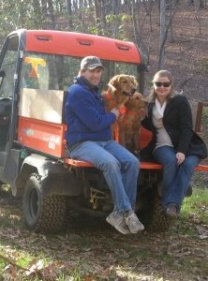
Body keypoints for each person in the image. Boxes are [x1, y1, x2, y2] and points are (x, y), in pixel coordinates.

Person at [64, 56, 144, 235]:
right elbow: (94, 122)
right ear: (82, 71)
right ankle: (126, 212)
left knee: (132, 162)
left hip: (105, 141)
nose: (96, 75)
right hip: (81, 143)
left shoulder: (94, 92)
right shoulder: (77, 92)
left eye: (98, 71)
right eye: (91, 71)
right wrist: (113, 115)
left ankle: (119, 213)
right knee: (110, 163)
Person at [141, 70, 208, 218]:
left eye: (166, 84)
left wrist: (182, 151)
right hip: (161, 145)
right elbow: (144, 124)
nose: (162, 87)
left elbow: (186, 128)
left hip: (187, 146)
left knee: (188, 165)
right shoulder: (150, 104)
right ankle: (169, 203)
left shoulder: (180, 101)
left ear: (171, 85)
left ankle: (172, 205)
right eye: (158, 84)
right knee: (171, 161)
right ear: (153, 85)